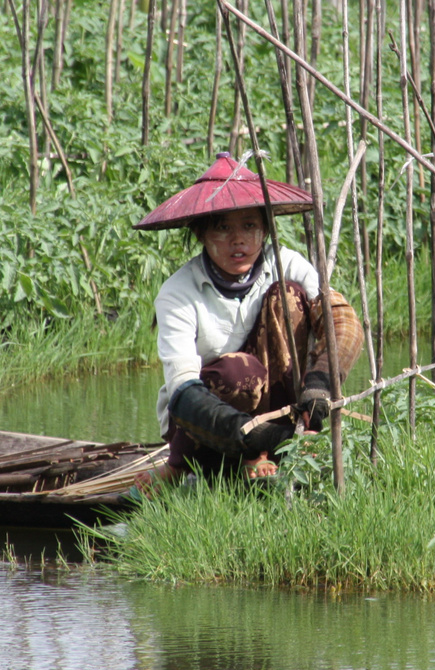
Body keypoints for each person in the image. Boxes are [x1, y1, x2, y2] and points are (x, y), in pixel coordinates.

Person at [134, 153, 364, 484]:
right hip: (207, 422)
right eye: (223, 227)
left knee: (289, 296)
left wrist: (320, 383)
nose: (237, 239)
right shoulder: (177, 292)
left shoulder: (285, 262)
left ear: (265, 229)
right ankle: (222, 459)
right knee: (238, 372)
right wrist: (253, 436)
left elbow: (343, 321)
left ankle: (298, 438)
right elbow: (182, 390)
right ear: (201, 234)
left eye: (249, 226)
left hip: (277, 410)